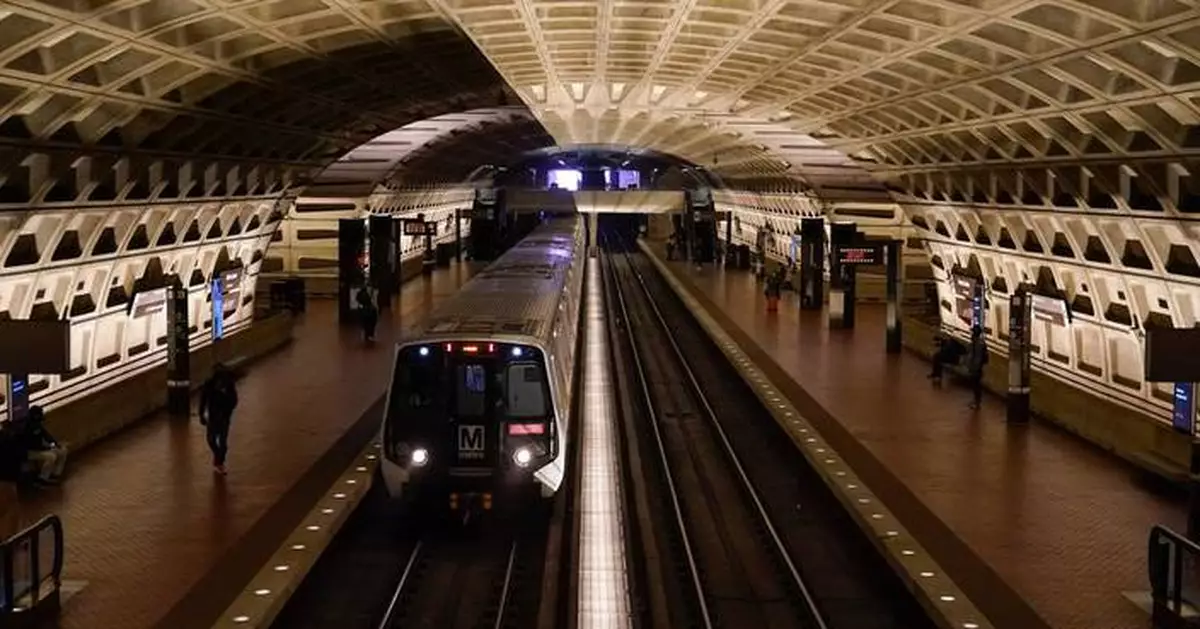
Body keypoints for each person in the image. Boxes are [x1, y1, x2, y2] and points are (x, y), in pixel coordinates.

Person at [199, 363, 239, 475]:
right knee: (211, 440)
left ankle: (219, 463)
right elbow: (203, 400)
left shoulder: (229, 386)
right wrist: (201, 414)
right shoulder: (209, 385)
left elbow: (234, 400)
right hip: (213, 416)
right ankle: (218, 458)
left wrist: (226, 403)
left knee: (222, 442)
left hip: (224, 417)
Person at [19, 407, 67, 485]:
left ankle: (55, 474)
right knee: (51, 456)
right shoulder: (26, 428)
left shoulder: (37, 424)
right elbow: (32, 445)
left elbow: (46, 435)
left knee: (63, 450)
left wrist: (55, 443)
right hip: (30, 451)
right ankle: (43, 478)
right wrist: (48, 448)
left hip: (40, 449)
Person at [0, 420, 22, 539]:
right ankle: (10, 537)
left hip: (4, 478)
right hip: (9, 479)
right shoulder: (14, 441)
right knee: (11, 508)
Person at [966, 326, 989, 409]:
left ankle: (977, 402)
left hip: (976, 368)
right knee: (976, 385)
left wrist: (974, 368)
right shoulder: (978, 342)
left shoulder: (977, 343)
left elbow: (977, 357)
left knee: (976, 385)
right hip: (977, 367)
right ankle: (976, 401)